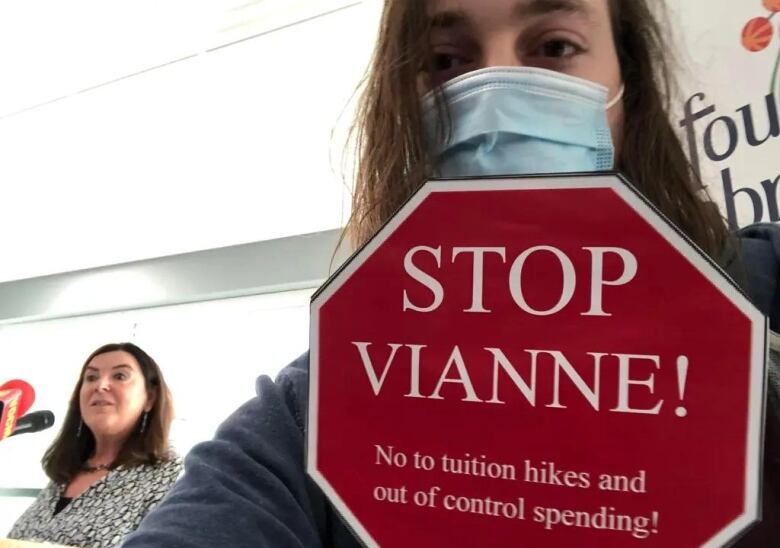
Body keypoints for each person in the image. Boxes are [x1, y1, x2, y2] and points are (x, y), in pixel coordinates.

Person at [124, 0, 780, 546]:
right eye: (445, 61)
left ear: (626, 86)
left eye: (554, 46)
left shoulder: (766, 285)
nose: (496, 93)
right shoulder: (325, 399)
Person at [8, 342, 182, 548]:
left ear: (150, 398)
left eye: (120, 376)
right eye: (91, 377)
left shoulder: (172, 476)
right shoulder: (64, 474)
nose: (100, 385)